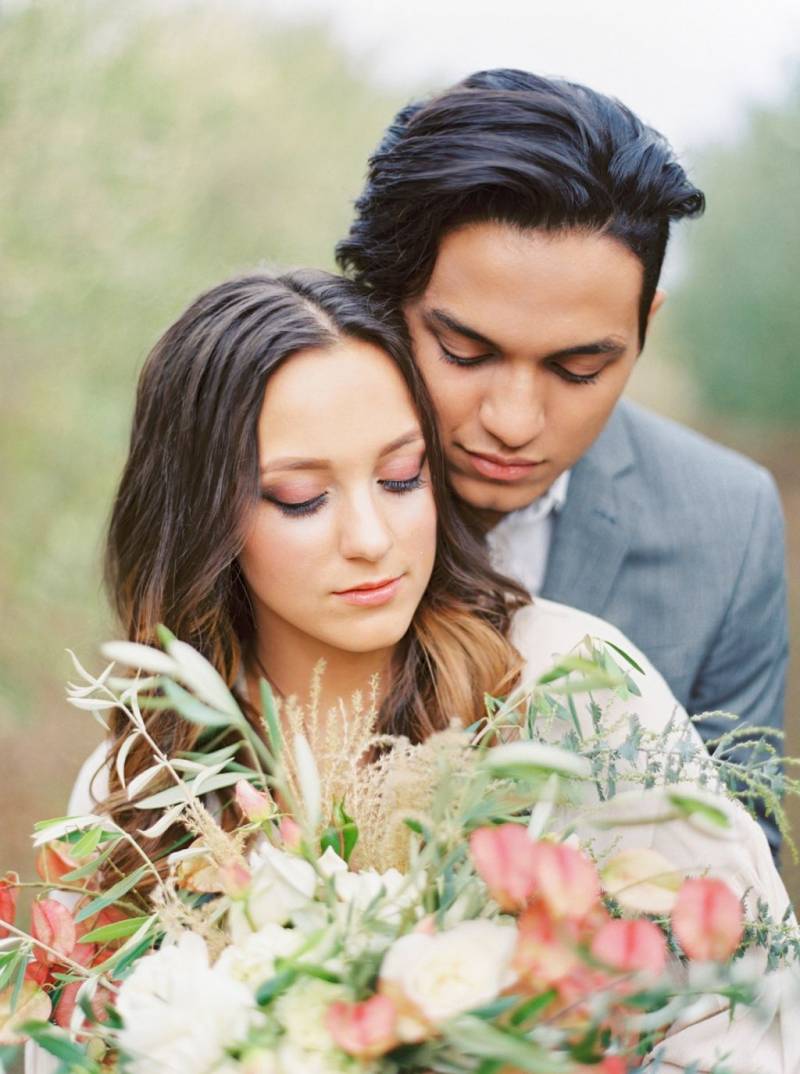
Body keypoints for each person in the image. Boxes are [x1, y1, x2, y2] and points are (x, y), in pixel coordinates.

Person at [31, 270, 795, 1074]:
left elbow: (744, 1010)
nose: (371, 536)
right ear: (200, 517)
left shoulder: (571, 690)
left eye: (402, 477)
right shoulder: (139, 783)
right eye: (300, 496)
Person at [336, 68, 789, 855]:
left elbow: (738, 880)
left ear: (646, 326)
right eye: (465, 352)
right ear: (380, 304)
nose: (513, 422)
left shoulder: (730, 523)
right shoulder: (267, 487)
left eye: (578, 368)